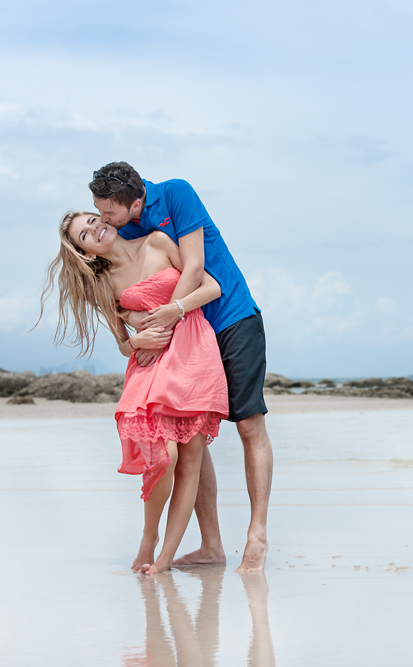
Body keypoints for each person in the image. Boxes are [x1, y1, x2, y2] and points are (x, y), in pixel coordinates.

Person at [89, 162, 273, 573]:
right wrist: (134, 333)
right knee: (190, 433)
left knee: (248, 425)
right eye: (97, 213)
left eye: (108, 214)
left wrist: (168, 316)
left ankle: (257, 536)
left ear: (135, 202)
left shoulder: (175, 193)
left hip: (231, 316)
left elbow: (193, 269)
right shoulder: (124, 229)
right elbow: (122, 287)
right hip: (189, 335)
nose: (103, 220)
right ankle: (211, 546)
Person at [41, 210, 228, 575]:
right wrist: (138, 338)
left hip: (193, 354)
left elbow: (211, 287)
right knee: (163, 457)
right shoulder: (103, 283)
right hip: (152, 365)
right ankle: (149, 536)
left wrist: (172, 311)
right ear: (86, 252)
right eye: (85, 234)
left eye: (94, 220)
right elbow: (124, 345)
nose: (96, 229)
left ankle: (163, 560)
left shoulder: (157, 242)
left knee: (190, 461)